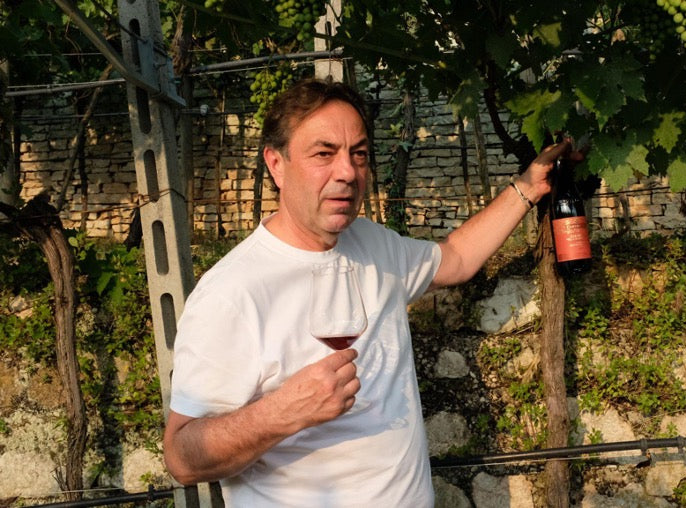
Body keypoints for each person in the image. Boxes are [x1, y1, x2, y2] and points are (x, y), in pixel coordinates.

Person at [163, 78, 572, 507]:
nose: (347, 172)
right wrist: (281, 412)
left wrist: (528, 186)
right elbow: (183, 458)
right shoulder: (232, 292)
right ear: (276, 164)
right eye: (324, 153)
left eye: (358, 154)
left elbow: (456, 259)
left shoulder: (374, 245)